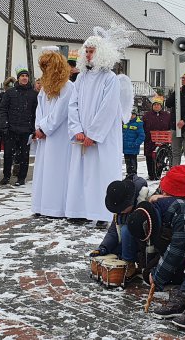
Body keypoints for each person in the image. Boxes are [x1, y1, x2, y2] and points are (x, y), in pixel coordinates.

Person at [65, 25, 132, 223]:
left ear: (100, 53)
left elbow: (108, 109)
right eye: (86, 50)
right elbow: (73, 104)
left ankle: (103, 213)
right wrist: (77, 129)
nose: (88, 54)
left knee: (101, 174)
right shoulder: (82, 78)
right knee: (81, 174)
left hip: (101, 138)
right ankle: (80, 211)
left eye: (91, 51)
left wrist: (93, 134)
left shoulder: (109, 79)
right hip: (82, 136)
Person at [32, 48, 73, 216]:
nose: (45, 70)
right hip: (45, 135)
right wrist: (38, 128)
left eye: (48, 66)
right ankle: (42, 206)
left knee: (57, 171)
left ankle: (56, 208)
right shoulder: (44, 88)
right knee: (43, 170)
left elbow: (61, 112)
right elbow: (39, 109)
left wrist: (44, 128)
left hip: (59, 136)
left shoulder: (67, 87)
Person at [89, 175, 154, 279]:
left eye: (122, 209)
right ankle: (125, 257)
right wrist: (103, 248)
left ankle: (129, 263)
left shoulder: (146, 201)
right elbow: (113, 231)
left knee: (126, 229)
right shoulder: (121, 206)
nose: (120, 211)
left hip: (145, 245)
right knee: (110, 252)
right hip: (130, 243)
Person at [127, 196, 185, 290]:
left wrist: (157, 277)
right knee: (148, 274)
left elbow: (179, 248)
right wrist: (149, 271)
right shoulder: (150, 215)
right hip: (175, 243)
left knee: (170, 276)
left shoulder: (180, 210)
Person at [0, 66, 37, 186]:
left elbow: (36, 112)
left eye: (26, 76)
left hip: (26, 130)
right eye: (22, 76)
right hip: (11, 129)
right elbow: (3, 109)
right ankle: (6, 176)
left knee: (24, 155)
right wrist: (5, 125)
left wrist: (34, 128)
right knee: (8, 154)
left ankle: (21, 178)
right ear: (18, 78)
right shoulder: (10, 92)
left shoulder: (34, 94)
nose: (24, 78)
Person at [142, 96, 171, 180]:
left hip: (162, 140)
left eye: (158, 105)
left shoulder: (166, 115)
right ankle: (151, 174)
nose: (156, 106)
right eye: (155, 105)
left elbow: (170, 126)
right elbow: (142, 126)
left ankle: (158, 174)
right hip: (149, 139)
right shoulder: (147, 115)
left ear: (161, 106)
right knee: (149, 157)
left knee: (160, 158)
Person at [122, 107, 145, 176]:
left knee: (132, 162)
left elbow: (142, 136)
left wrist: (135, 144)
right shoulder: (125, 122)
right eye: (129, 114)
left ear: (136, 115)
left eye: (133, 114)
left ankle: (133, 176)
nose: (131, 116)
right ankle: (128, 175)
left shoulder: (138, 124)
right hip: (125, 147)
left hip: (133, 148)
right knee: (127, 162)